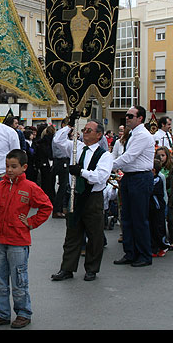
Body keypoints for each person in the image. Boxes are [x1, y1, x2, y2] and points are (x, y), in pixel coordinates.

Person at [0, 149, 52, 328]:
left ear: (24, 167)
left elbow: (46, 206)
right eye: (7, 166)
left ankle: (23, 312)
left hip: (18, 242)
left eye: (14, 166)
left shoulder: (30, 188)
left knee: (19, 279)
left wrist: (30, 222)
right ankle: (3, 312)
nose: (9, 170)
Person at [50, 120, 113, 282]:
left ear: (98, 135)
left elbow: (101, 177)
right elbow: (58, 141)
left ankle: (91, 269)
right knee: (72, 233)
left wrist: (82, 172)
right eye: (84, 129)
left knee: (94, 235)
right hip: (75, 195)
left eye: (89, 130)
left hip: (92, 198)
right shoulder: (75, 147)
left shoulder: (104, 155)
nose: (85, 132)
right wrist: (69, 125)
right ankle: (67, 268)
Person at [111, 106, 156, 267]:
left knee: (139, 217)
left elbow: (129, 157)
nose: (127, 118)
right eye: (127, 115)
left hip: (140, 177)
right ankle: (130, 252)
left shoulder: (143, 135)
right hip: (129, 177)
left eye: (131, 116)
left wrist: (108, 166)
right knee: (127, 217)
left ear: (140, 118)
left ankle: (144, 254)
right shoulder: (131, 135)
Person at [150, 159, 169, 257]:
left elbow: (151, 191)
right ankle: (154, 247)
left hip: (158, 208)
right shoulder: (150, 179)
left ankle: (163, 246)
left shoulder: (158, 180)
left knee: (159, 228)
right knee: (152, 228)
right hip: (151, 208)